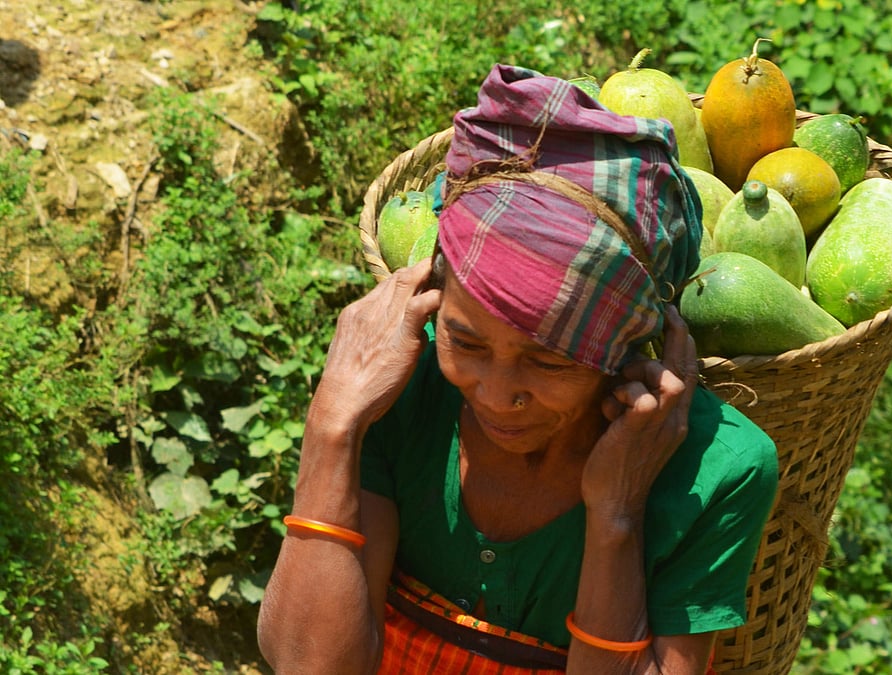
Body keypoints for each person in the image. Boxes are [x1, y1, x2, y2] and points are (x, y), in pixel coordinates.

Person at [257, 64, 778, 675]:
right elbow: (312, 666)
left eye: (549, 360)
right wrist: (332, 422)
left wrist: (616, 515)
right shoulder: (400, 385)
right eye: (467, 343)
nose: (499, 396)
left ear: (628, 345)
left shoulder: (715, 470)